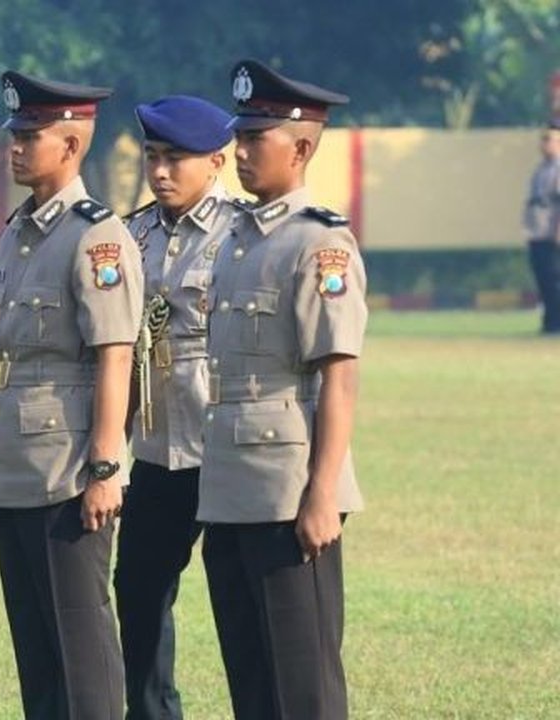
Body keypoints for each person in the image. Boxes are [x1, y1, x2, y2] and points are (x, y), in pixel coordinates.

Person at [199, 59, 368, 720]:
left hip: (288, 489)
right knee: (252, 681)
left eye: (255, 139)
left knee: (304, 690)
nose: (239, 152)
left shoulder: (318, 245)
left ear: (300, 147)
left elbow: (339, 377)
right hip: (230, 488)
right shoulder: (236, 240)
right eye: (238, 138)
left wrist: (322, 494)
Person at [0, 70, 141, 719]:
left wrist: (105, 467)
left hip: (69, 465)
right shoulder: (19, 232)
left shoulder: (95, 237)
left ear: (71, 146)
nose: (15, 147)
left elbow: (116, 355)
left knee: (80, 637)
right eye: (14, 135)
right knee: (36, 645)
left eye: (30, 136)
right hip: (15, 461)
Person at [115, 95, 237, 720]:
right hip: (158, 448)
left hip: (225, 448)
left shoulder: (241, 233)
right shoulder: (131, 234)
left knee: (240, 601)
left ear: (217, 161)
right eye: (153, 157)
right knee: (138, 590)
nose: (160, 172)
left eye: (176, 160)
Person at [524, 120, 560, 335]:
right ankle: (550, 321)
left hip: (552, 231)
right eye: (544, 139)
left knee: (555, 278)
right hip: (538, 230)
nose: (545, 144)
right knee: (544, 278)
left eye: (550, 139)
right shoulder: (541, 169)